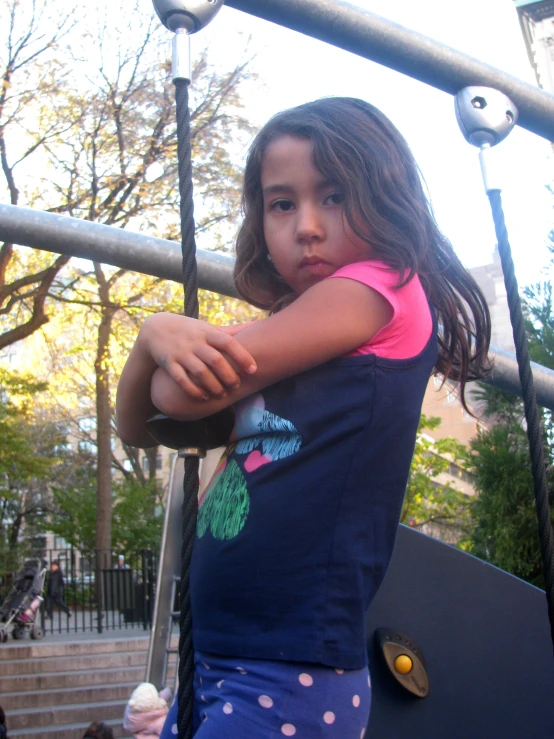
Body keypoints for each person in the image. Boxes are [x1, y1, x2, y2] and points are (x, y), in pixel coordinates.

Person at [116, 97, 490, 738]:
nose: (307, 225)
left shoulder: (380, 288)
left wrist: (161, 336)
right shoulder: (298, 332)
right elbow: (140, 425)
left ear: (386, 197)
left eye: (335, 196)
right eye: (281, 203)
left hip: (288, 666)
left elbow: (176, 397)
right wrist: (151, 338)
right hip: (226, 650)